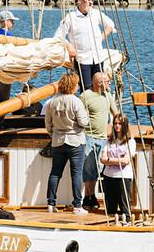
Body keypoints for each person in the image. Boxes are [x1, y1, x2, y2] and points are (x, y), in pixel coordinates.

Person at [43, 73, 90, 214]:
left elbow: (48, 123)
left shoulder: (52, 102)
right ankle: (77, 206)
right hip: (75, 140)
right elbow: (83, 122)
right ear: (73, 85)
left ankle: (51, 204)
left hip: (58, 140)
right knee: (76, 174)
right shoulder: (76, 101)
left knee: (55, 173)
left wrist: (54, 134)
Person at [53, 0, 116, 92]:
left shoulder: (96, 14)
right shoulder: (71, 17)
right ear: (79, 0)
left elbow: (110, 25)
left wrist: (100, 38)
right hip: (83, 59)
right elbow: (58, 37)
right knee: (86, 88)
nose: (90, 2)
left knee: (101, 86)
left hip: (98, 57)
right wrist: (69, 46)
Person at [79, 72, 118, 209]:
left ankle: (91, 196)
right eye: (107, 81)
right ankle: (88, 197)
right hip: (88, 137)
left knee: (97, 168)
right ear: (99, 83)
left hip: (102, 138)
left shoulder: (107, 96)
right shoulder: (85, 96)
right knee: (88, 169)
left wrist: (121, 129)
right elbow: (79, 115)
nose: (109, 84)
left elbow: (116, 113)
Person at [99, 114, 136, 220]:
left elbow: (126, 161)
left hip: (123, 177)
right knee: (110, 208)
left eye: (120, 124)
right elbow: (102, 159)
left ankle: (127, 222)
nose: (117, 126)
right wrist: (116, 161)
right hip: (109, 176)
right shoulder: (108, 141)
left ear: (124, 125)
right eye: (115, 123)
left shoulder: (130, 142)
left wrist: (109, 160)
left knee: (125, 207)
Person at [0, 9, 19, 108]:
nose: (13, 23)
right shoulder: (8, 36)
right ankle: (0, 121)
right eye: (11, 20)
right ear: (6, 21)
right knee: (4, 97)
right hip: (4, 69)